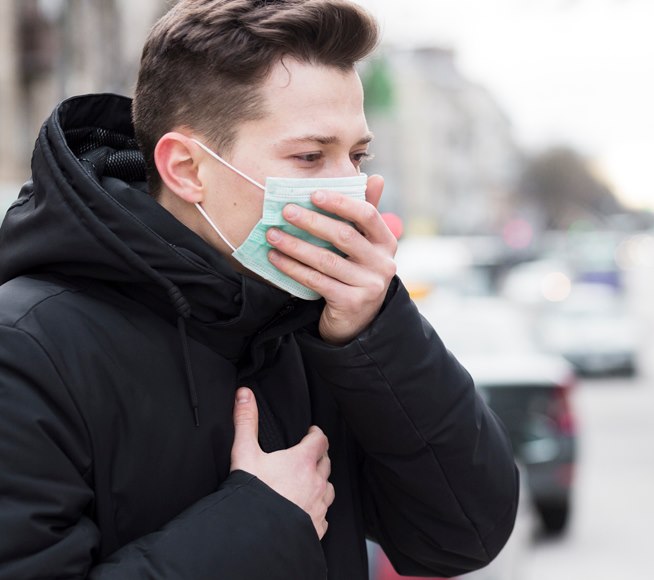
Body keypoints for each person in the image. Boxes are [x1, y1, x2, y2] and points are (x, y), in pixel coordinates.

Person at [0, 1, 519, 578]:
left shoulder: (315, 322)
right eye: (310, 156)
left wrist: (376, 331)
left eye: (357, 155)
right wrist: (261, 523)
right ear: (187, 169)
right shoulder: (24, 348)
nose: (350, 186)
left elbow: (463, 535)